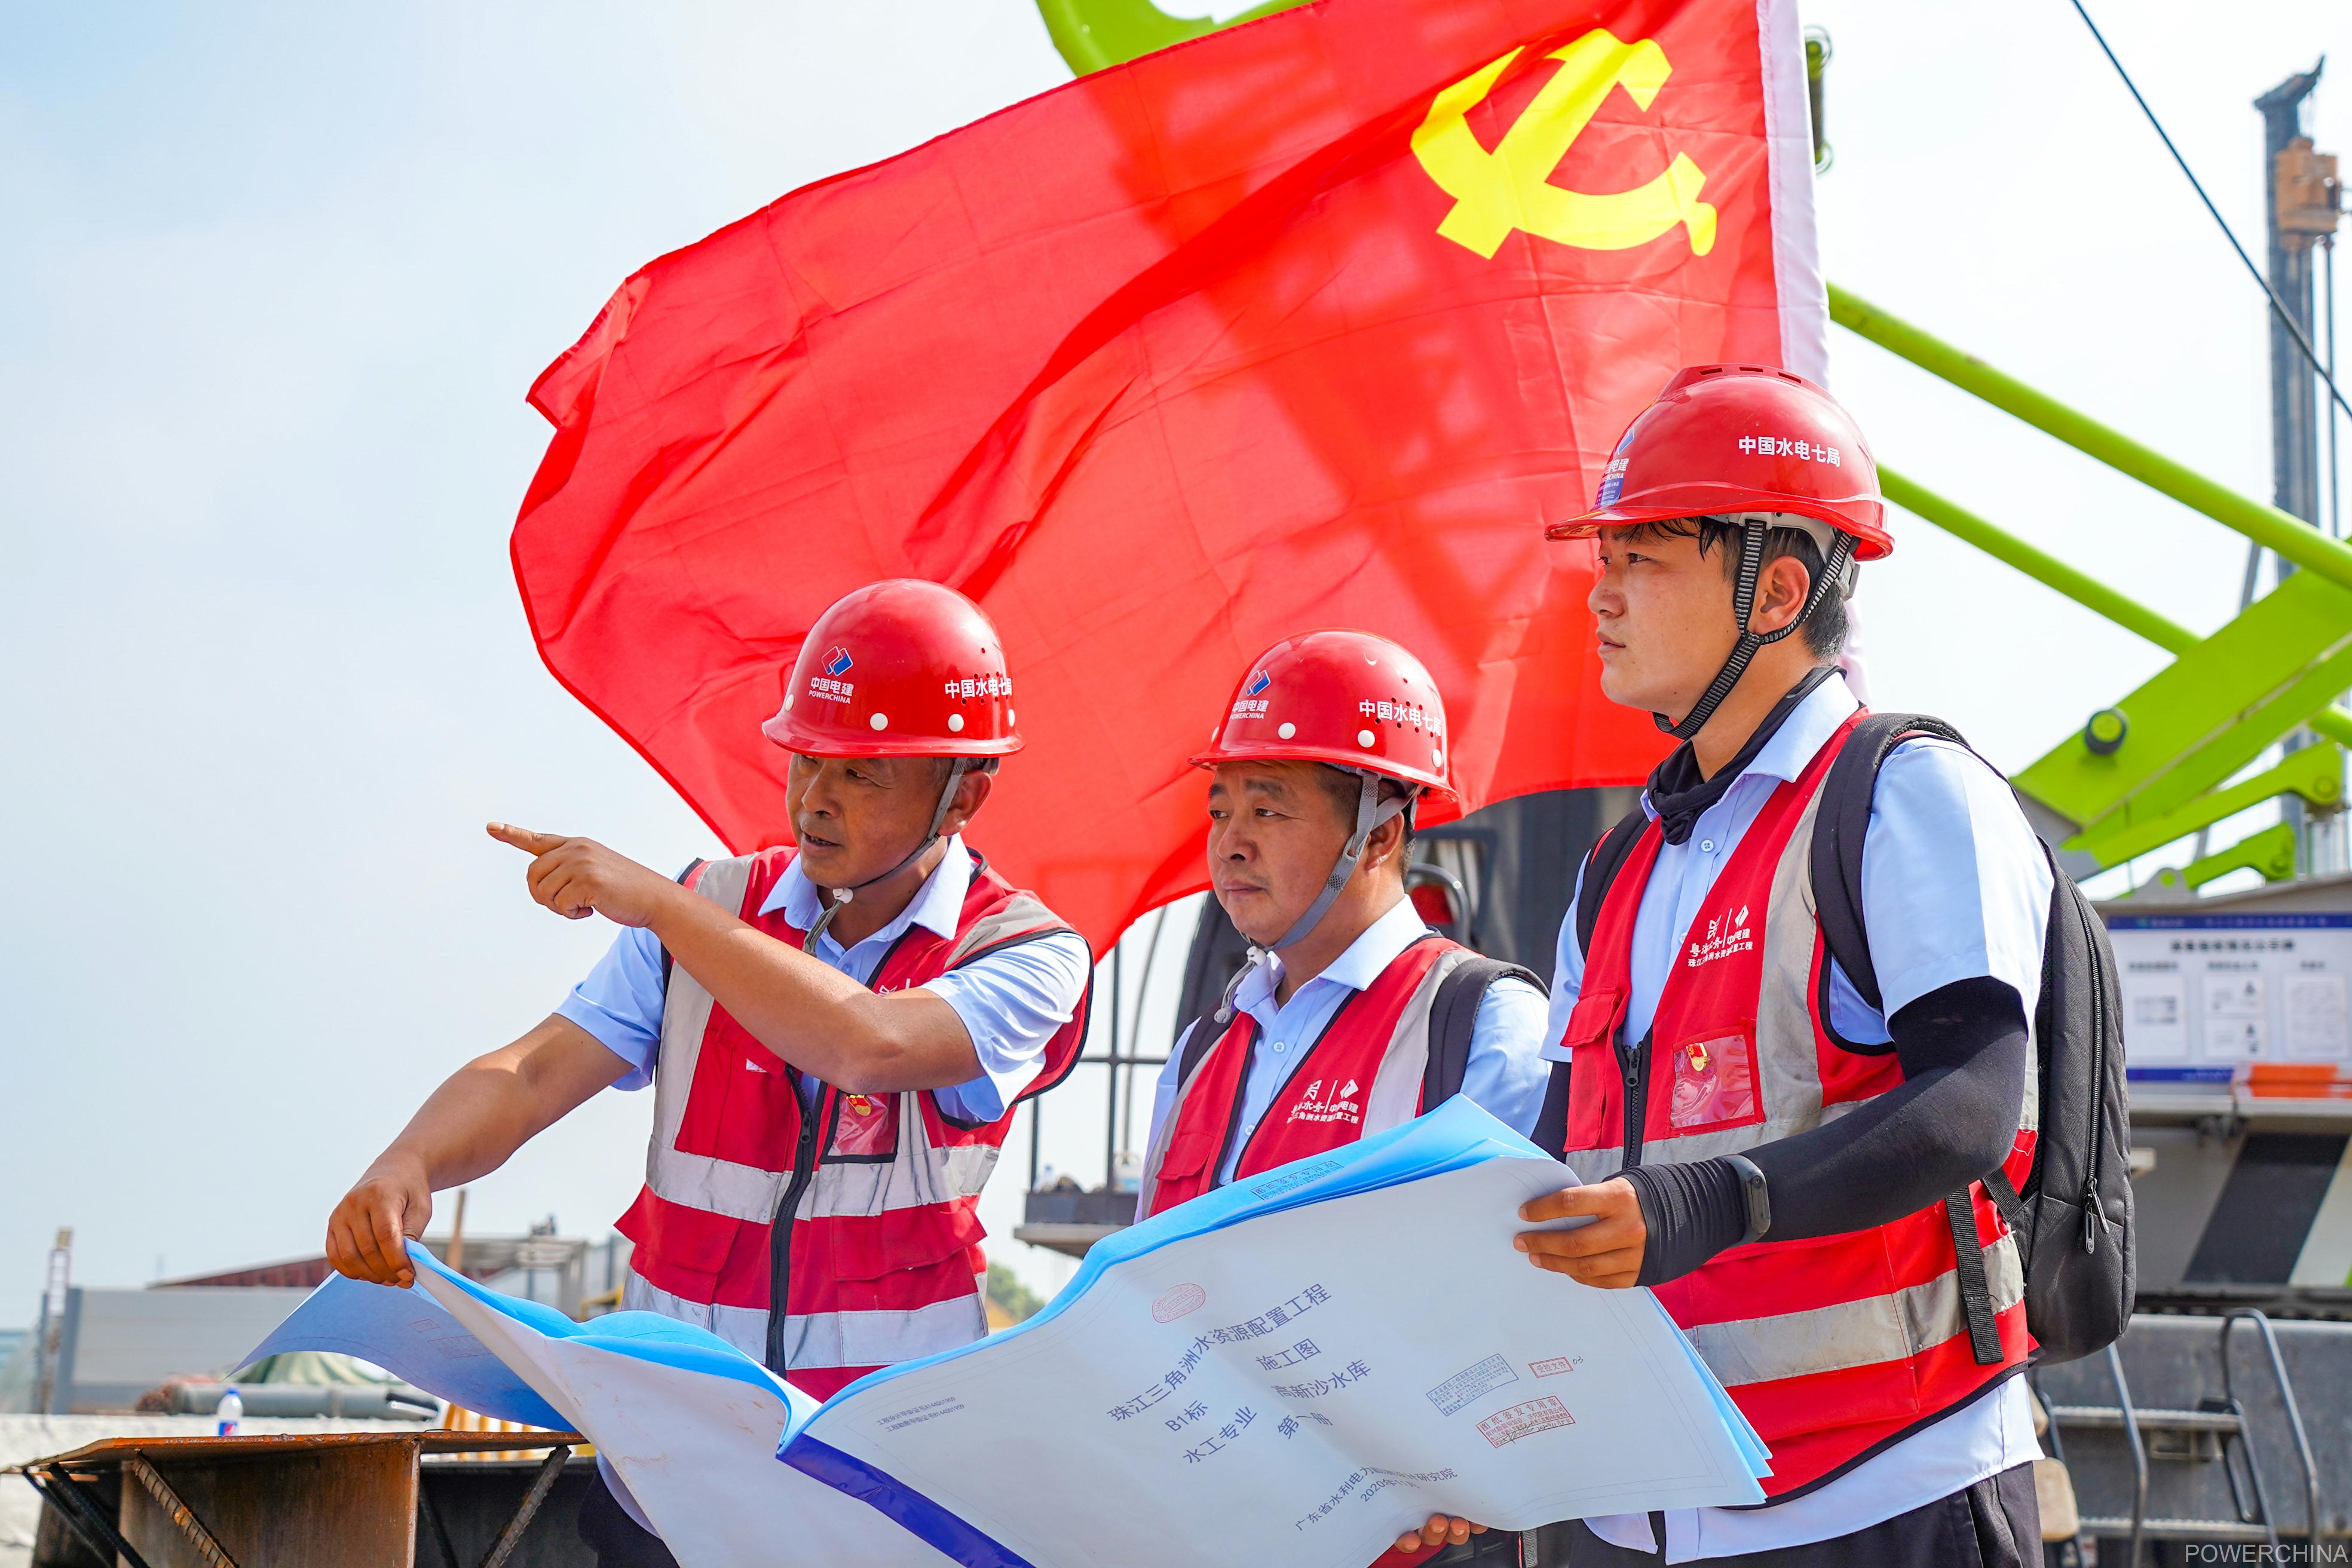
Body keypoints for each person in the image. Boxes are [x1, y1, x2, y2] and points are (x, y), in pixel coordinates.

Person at [324, 579, 1092, 1566]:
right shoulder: (706, 907)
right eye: (805, 759)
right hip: (671, 1481)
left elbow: (871, 1044)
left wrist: (662, 907)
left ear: (966, 794)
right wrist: (409, 1162)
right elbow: (533, 1073)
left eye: (861, 774)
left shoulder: (1026, 952)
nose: (815, 798)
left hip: (887, 1486)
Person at [1508, 365, 2050, 1566]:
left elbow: (1972, 1103)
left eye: (1643, 557)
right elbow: (1548, 1166)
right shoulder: (1617, 871)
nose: (1600, 594)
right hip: (1646, 1507)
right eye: (1603, 558)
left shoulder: (1904, 793)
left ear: (1779, 589)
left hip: (1886, 1489)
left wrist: (1709, 1203)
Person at [1135, 629, 1552, 1563]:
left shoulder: (1481, 1021)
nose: (1230, 842)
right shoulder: (1202, 1051)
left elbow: (1506, 1306)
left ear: (1382, 833)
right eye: (1220, 809)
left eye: (1268, 809)